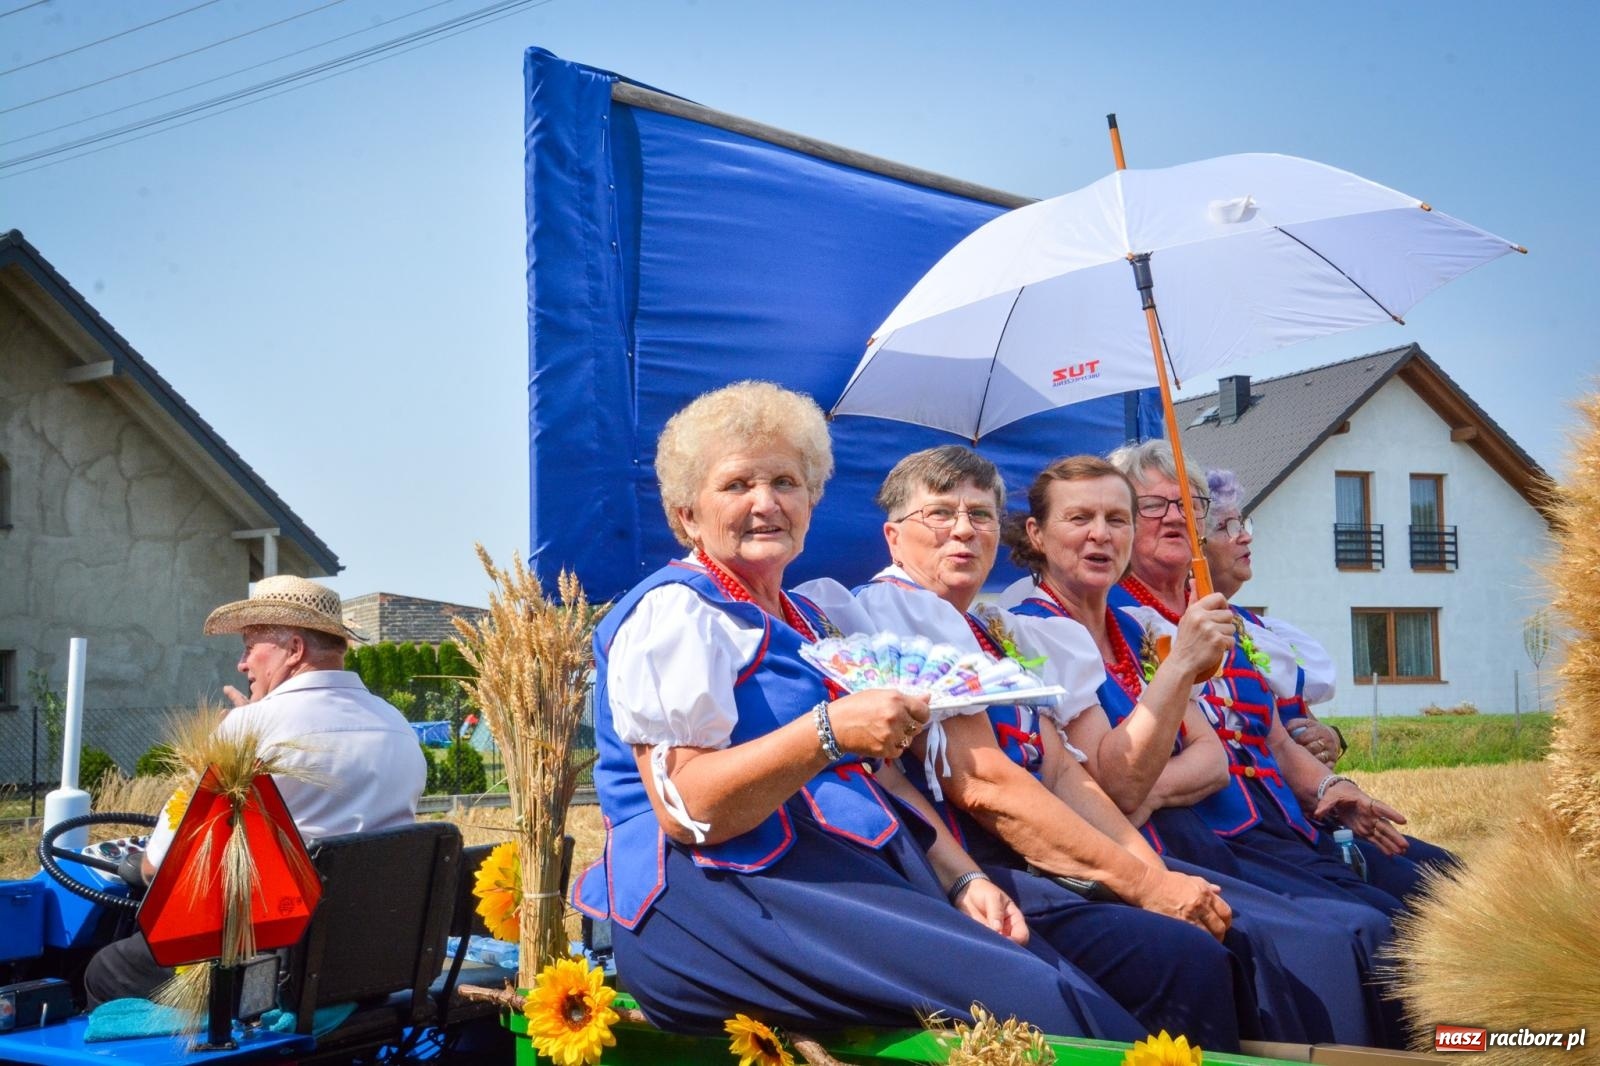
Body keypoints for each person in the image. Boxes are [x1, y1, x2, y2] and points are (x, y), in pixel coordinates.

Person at [568, 382, 1142, 1040]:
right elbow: (688, 810)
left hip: (836, 872)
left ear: (811, 501)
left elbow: (882, 780)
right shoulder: (675, 611)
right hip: (719, 900)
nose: (766, 502)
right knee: (1044, 1007)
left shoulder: (809, 621)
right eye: (736, 485)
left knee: (1101, 981)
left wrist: (963, 879)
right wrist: (829, 732)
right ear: (687, 515)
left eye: (786, 482)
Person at [823, 445, 1328, 1049]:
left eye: (980, 514)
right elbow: (985, 784)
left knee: (1227, 934)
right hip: (974, 871)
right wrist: (1145, 888)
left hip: (1046, 858)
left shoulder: (991, 632)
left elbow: (1063, 772)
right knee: (1184, 958)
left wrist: (1157, 877)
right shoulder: (893, 612)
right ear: (893, 537)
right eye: (939, 513)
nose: (963, 530)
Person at [1003, 454, 1403, 1046]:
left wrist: (1144, 788)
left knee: (1369, 926)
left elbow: (1211, 762)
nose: (1101, 534)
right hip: (1143, 854)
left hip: (1197, 836)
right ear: (1037, 534)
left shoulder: (1138, 631)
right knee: (1326, 943)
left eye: (1117, 519)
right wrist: (1174, 683)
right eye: (1080, 519)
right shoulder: (1031, 632)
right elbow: (1116, 785)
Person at [1105, 440, 1426, 915]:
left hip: (1289, 822)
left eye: (1188, 504)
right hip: (1219, 841)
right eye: (1153, 505)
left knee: (1442, 882)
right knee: (1378, 921)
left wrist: (1331, 789)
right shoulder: (1113, 623)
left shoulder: (1222, 618)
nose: (1175, 517)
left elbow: (1275, 742)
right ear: (1123, 521)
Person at [83, 575, 427, 1006]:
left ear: (294, 649)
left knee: (106, 970)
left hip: (271, 965)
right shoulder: (396, 724)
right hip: (373, 960)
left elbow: (158, 866)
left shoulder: (248, 730)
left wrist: (240, 732)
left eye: (249, 647)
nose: (242, 664)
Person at [1200, 468, 1460, 886]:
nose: (1245, 537)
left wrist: (1329, 738)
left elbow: (1298, 724)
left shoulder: (1258, 629)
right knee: (1418, 891)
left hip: (1312, 810)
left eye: (1243, 523)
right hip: (1268, 823)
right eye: (1226, 528)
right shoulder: (1180, 634)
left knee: (1451, 870)